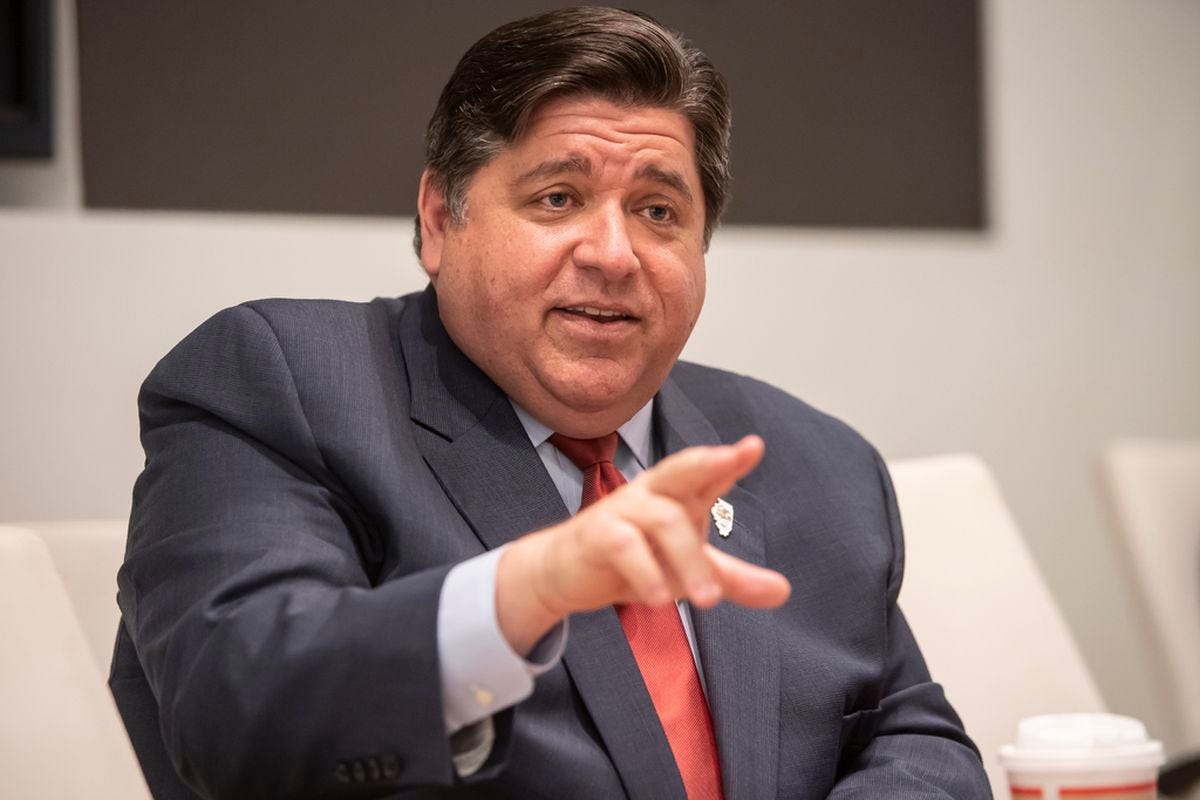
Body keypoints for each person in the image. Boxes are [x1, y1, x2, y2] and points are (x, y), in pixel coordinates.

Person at [110, 7, 992, 799]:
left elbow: (916, 742)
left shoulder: (813, 462)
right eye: (558, 198)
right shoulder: (286, 382)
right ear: (438, 220)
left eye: (657, 210)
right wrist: (530, 587)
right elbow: (237, 711)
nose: (614, 253)